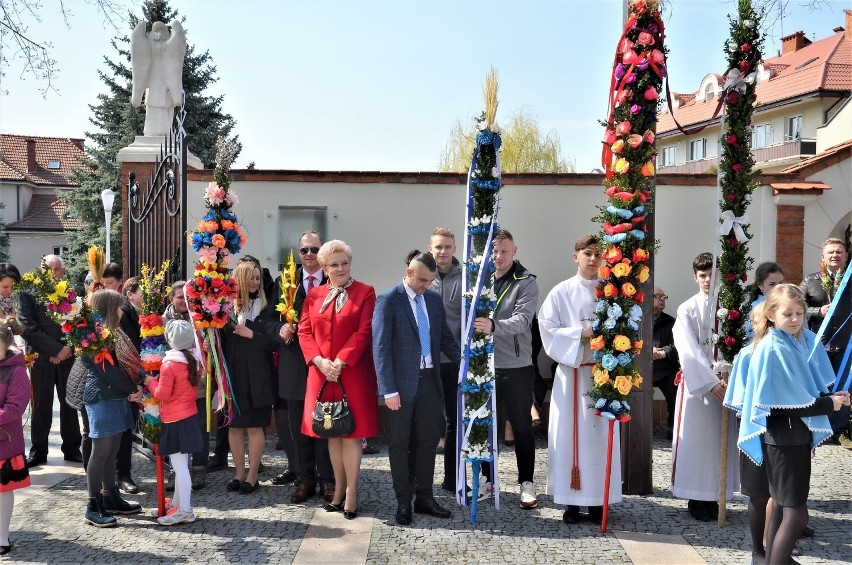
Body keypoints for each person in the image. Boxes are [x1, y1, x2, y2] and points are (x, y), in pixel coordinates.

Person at [729, 284, 850, 563]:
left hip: (790, 435)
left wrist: (830, 397)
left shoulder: (787, 342)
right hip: (785, 437)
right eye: (788, 313)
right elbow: (782, 405)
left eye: (800, 313)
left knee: (783, 508)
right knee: (796, 513)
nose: (795, 319)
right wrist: (827, 404)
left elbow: (799, 391)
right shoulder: (774, 348)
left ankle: (774, 558)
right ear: (771, 314)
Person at [538, 235, 621, 524]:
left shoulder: (611, 293)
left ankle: (599, 501)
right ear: (575, 256)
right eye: (587, 253)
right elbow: (546, 328)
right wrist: (580, 333)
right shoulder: (561, 292)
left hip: (602, 374)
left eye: (598, 254)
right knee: (567, 437)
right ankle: (570, 501)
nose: (593, 259)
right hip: (571, 374)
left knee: (598, 436)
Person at [373, 251, 460, 526]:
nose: (426, 285)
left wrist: (468, 362)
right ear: (409, 273)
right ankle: (403, 503)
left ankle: (424, 497)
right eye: (422, 280)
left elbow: (445, 338)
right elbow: (381, 348)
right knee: (399, 444)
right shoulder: (388, 300)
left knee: (427, 442)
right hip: (400, 386)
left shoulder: (433, 300)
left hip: (429, 382)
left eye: (430, 281)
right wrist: (388, 390)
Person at [299, 240, 377, 519]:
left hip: (352, 372)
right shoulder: (314, 295)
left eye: (345, 262)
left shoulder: (365, 292)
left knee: (351, 433)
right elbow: (304, 332)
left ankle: (352, 491)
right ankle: (339, 486)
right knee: (332, 432)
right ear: (324, 267)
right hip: (321, 374)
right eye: (335, 264)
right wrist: (320, 361)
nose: (341, 268)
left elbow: (364, 330)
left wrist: (341, 361)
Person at [267, 231, 334, 503]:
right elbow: (267, 320)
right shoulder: (286, 280)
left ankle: (328, 480)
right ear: (298, 251)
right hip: (295, 366)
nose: (309, 254)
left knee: (326, 426)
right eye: (304, 249)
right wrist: (279, 328)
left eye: (314, 249)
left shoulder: (333, 279)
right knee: (300, 427)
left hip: (323, 365)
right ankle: (305, 479)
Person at [671, 252, 739, 522]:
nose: (709, 280)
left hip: (728, 384)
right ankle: (696, 496)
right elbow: (688, 350)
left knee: (721, 443)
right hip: (699, 389)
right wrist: (711, 384)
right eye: (703, 276)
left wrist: (732, 376)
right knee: (698, 443)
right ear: (695, 277)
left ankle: (719, 494)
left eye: (713, 275)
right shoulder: (687, 308)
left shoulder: (732, 309)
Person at [474, 230, 539, 509]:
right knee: (488, 428)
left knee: (522, 427)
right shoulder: (480, 280)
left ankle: (526, 483)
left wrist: (494, 326)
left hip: (516, 366)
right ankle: (488, 481)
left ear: (515, 251)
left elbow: (523, 321)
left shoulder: (526, 282)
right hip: (484, 364)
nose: (498, 257)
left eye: (504, 251)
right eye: (495, 251)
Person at [82, 290, 143, 527]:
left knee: (113, 448)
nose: (122, 311)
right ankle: (93, 504)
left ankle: (110, 495)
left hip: (117, 396)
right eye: (119, 307)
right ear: (109, 309)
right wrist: (132, 387)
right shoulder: (93, 338)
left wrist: (134, 385)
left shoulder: (112, 333)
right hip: (103, 397)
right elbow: (107, 370)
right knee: (101, 451)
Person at [17, 255, 83, 467]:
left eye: (56, 270)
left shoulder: (71, 293)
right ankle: (39, 451)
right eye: (48, 269)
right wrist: (54, 350)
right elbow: (27, 327)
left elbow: (79, 323)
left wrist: (66, 349)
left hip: (67, 356)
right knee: (41, 406)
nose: (52, 274)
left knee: (70, 404)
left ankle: (72, 448)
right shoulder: (28, 293)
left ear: (63, 271)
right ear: (40, 270)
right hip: (41, 357)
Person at [144, 320, 204, 525]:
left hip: (175, 419)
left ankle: (185, 511)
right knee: (182, 465)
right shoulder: (193, 360)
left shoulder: (170, 364)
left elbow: (162, 394)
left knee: (180, 468)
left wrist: (150, 382)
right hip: (189, 416)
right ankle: (179, 504)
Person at [223, 260, 275, 494]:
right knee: (234, 427)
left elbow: (275, 343)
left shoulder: (267, 307)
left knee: (255, 427)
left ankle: (253, 476)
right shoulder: (224, 308)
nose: (255, 282)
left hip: (259, 374)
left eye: (258, 278)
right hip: (233, 374)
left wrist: (252, 334)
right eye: (251, 277)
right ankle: (239, 474)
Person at [800, 238, 851, 447]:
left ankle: (839, 431)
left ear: (846, 256)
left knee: (843, 387)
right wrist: (818, 311)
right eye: (831, 252)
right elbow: (798, 306)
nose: (835, 255)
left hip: (846, 345)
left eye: (839, 252)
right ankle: (818, 430)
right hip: (818, 346)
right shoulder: (810, 280)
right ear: (823, 257)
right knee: (818, 387)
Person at [163, 280, 211, 489]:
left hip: (196, 385)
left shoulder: (202, 318)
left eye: (188, 297)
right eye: (180, 297)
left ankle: (199, 469)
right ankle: (174, 471)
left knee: (200, 427)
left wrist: (209, 346)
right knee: (172, 429)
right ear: (172, 299)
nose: (184, 301)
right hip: (171, 388)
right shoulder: (160, 321)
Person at [426, 228, 463, 493]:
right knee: (426, 421)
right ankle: (421, 481)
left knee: (453, 420)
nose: (443, 251)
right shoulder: (422, 276)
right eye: (438, 247)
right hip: (426, 362)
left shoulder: (466, 278)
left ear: (454, 249)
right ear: (430, 249)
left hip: (453, 360)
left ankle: (452, 479)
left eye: (447, 246)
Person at [0, 317, 32, 555]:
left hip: (4, 440)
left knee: (2, 490)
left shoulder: (16, 371)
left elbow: (15, 407)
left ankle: (2, 536)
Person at [116, 274, 141, 495]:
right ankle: (118, 477)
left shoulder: (134, 313)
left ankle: (122, 475)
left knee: (126, 429)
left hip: (130, 380)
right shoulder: (123, 313)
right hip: (121, 382)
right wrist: (133, 385)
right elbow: (125, 354)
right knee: (120, 431)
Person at [652, 287, 679, 430]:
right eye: (657, 296)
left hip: (665, 369)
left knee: (676, 389)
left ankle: (673, 430)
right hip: (641, 370)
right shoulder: (637, 320)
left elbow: (679, 346)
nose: (661, 299)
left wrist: (664, 352)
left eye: (663, 296)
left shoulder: (671, 322)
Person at [744, 262, 785, 344]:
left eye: (780, 283)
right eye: (772, 284)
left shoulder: (789, 304)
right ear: (760, 285)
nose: (777, 287)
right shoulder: (753, 308)